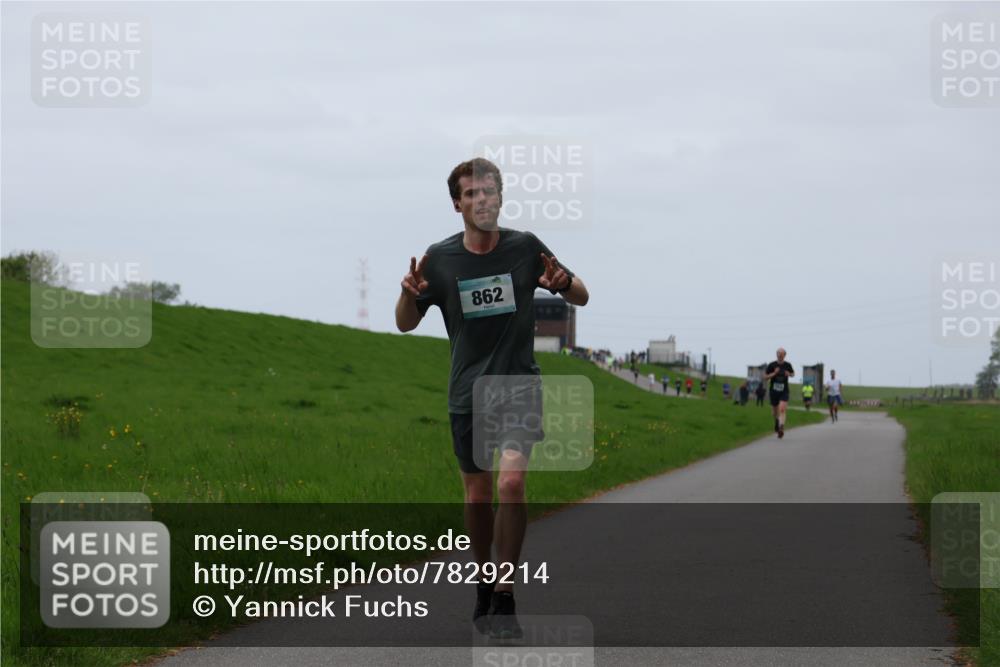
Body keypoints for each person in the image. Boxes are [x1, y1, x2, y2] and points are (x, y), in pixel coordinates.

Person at [395, 157, 589, 639]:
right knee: (478, 496)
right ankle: (484, 580)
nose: (481, 200)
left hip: (519, 386)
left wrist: (563, 283)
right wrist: (407, 294)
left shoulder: (525, 248)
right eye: (471, 194)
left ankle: (504, 594)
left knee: (510, 486)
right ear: (457, 204)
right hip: (467, 394)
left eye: (489, 192)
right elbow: (405, 321)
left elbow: (581, 294)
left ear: (500, 197)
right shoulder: (440, 260)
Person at [764, 348, 794, 438]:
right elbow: (765, 377)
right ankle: (777, 421)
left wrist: (789, 374)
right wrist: (774, 373)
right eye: (779, 353)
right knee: (774, 412)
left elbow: (793, 374)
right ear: (776, 354)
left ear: (785, 355)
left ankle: (781, 427)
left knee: (782, 409)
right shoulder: (772, 365)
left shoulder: (788, 365)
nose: (780, 355)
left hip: (784, 391)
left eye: (782, 354)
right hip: (774, 391)